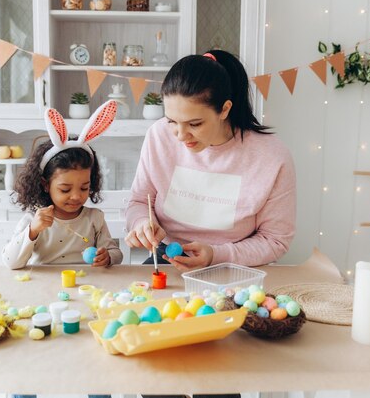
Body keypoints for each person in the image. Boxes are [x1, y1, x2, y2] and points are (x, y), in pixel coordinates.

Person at [125, 49, 296, 272]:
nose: (180, 135)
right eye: (172, 121)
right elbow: (138, 202)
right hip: (166, 258)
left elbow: (275, 240)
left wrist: (216, 255)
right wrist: (141, 224)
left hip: (237, 263)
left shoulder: (271, 156)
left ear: (225, 109)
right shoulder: (159, 135)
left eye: (194, 124)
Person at [3, 101, 122, 269]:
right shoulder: (34, 219)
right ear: (45, 185)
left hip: (87, 288)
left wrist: (108, 257)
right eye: (65, 189)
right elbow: (11, 262)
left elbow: (116, 253)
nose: (76, 196)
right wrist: (33, 230)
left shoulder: (94, 218)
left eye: (84, 188)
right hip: (44, 288)